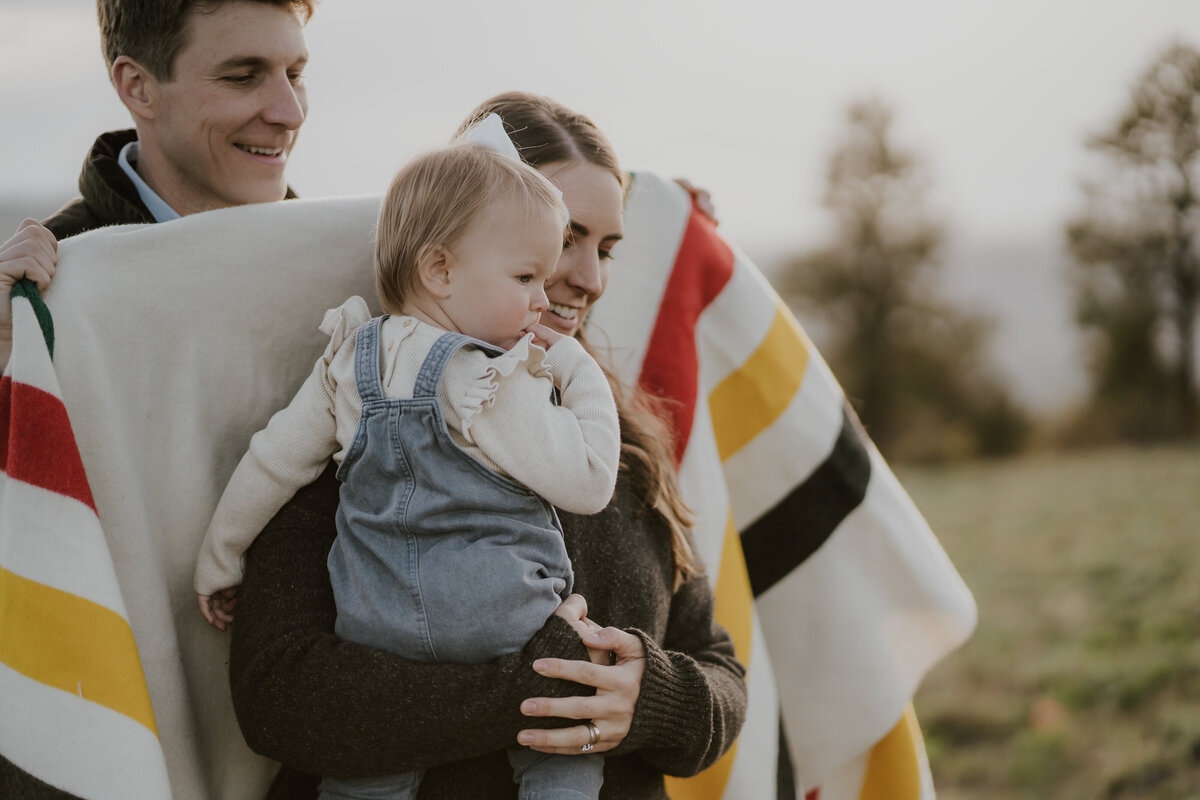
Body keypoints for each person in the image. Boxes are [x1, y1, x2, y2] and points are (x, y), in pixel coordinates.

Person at [226, 92, 747, 800]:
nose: (589, 278)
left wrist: (650, 698)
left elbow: (718, 669)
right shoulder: (374, 412)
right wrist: (540, 688)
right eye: (567, 238)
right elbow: (280, 694)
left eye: (607, 248)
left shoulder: (624, 444)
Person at [194, 130, 625, 800]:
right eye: (525, 277)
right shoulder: (487, 383)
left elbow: (272, 462)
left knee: (368, 775)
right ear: (440, 270)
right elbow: (592, 481)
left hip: (375, 626)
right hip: (501, 620)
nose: (542, 300)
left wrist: (220, 559)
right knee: (561, 752)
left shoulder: (349, 360)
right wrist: (574, 364)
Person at [0, 0, 312, 370]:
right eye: (242, 77)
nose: (290, 114)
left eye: (294, 75)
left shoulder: (344, 265)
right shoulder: (36, 292)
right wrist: (4, 353)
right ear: (139, 87)